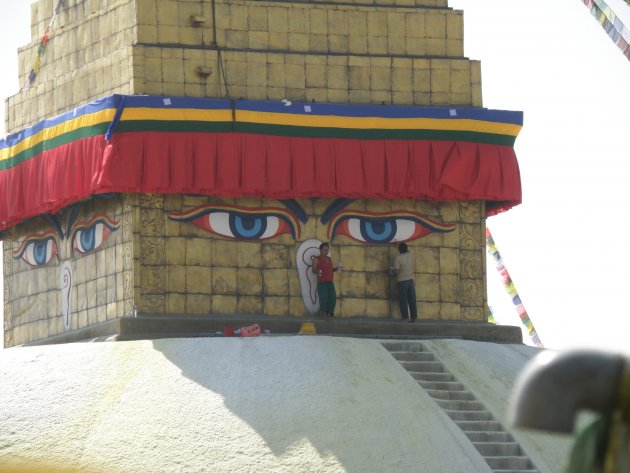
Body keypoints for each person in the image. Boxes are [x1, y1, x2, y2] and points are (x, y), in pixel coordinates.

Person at [311, 242, 341, 320]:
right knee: (324, 298)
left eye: (327, 249)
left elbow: (331, 270)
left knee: (332, 298)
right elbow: (313, 270)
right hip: (322, 282)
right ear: (320, 250)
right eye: (324, 249)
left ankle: (329, 312)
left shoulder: (329, 259)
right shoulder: (316, 259)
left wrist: (336, 269)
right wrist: (317, 271)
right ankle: (323, 313)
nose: (326, 251)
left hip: (330, 282)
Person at [391, 242, 417, 322]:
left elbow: (397, 272)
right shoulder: (410, 255)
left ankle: (405, 317)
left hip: (402, 281)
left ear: (399, 250)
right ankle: (414, 317)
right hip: (411, 280)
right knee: (412, 300)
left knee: (403, 300)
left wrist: (391, 272)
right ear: (406, 249)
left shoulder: (398, 259)